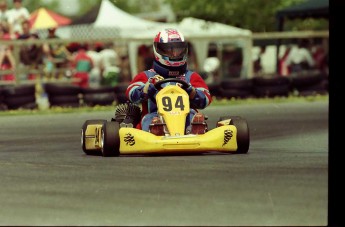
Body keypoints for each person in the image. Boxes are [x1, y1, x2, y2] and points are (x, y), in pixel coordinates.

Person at [125, 28, 212, 135]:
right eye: (169, 50)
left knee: (193, 115)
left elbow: (206, 98)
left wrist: (193, 92)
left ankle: (194, 130)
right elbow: (130, 92)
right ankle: (156, 131)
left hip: (185, 115)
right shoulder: (147, 76)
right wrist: (145, 89)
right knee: (150, 119)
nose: (174, 54)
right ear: (158, 50)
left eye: (178, 50)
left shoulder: (191, 76)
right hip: (155, 115)